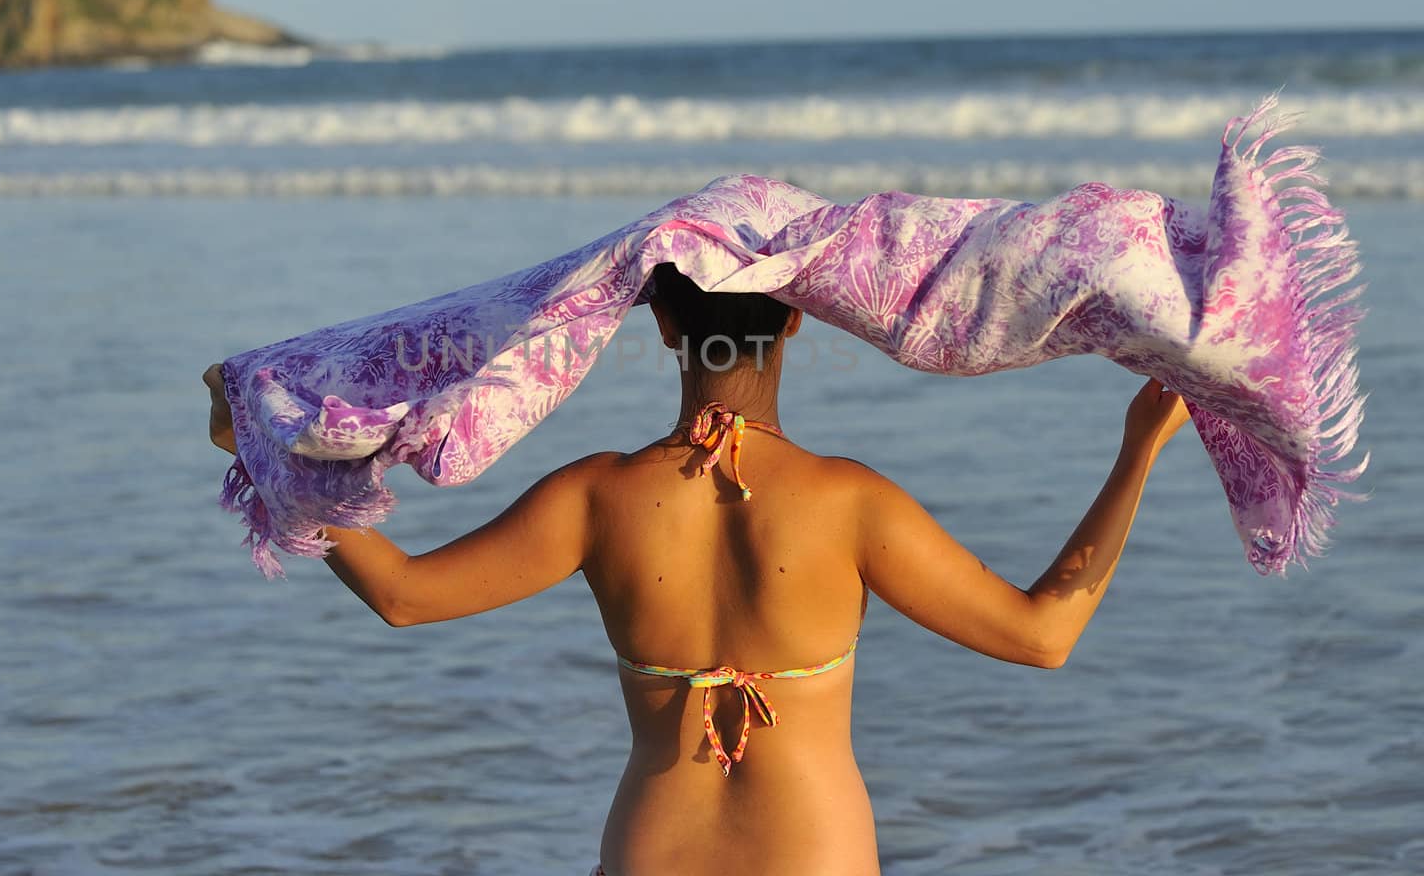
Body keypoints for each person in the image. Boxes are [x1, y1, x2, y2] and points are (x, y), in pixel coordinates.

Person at [204, 263, 1192, 876]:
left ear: (666, 327)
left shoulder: (598, 497)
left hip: (652, 853)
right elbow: (1041, 634)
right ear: (797, 319)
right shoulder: (850, 503)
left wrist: (264, 456)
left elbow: (404, 597)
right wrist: (1136, 451)